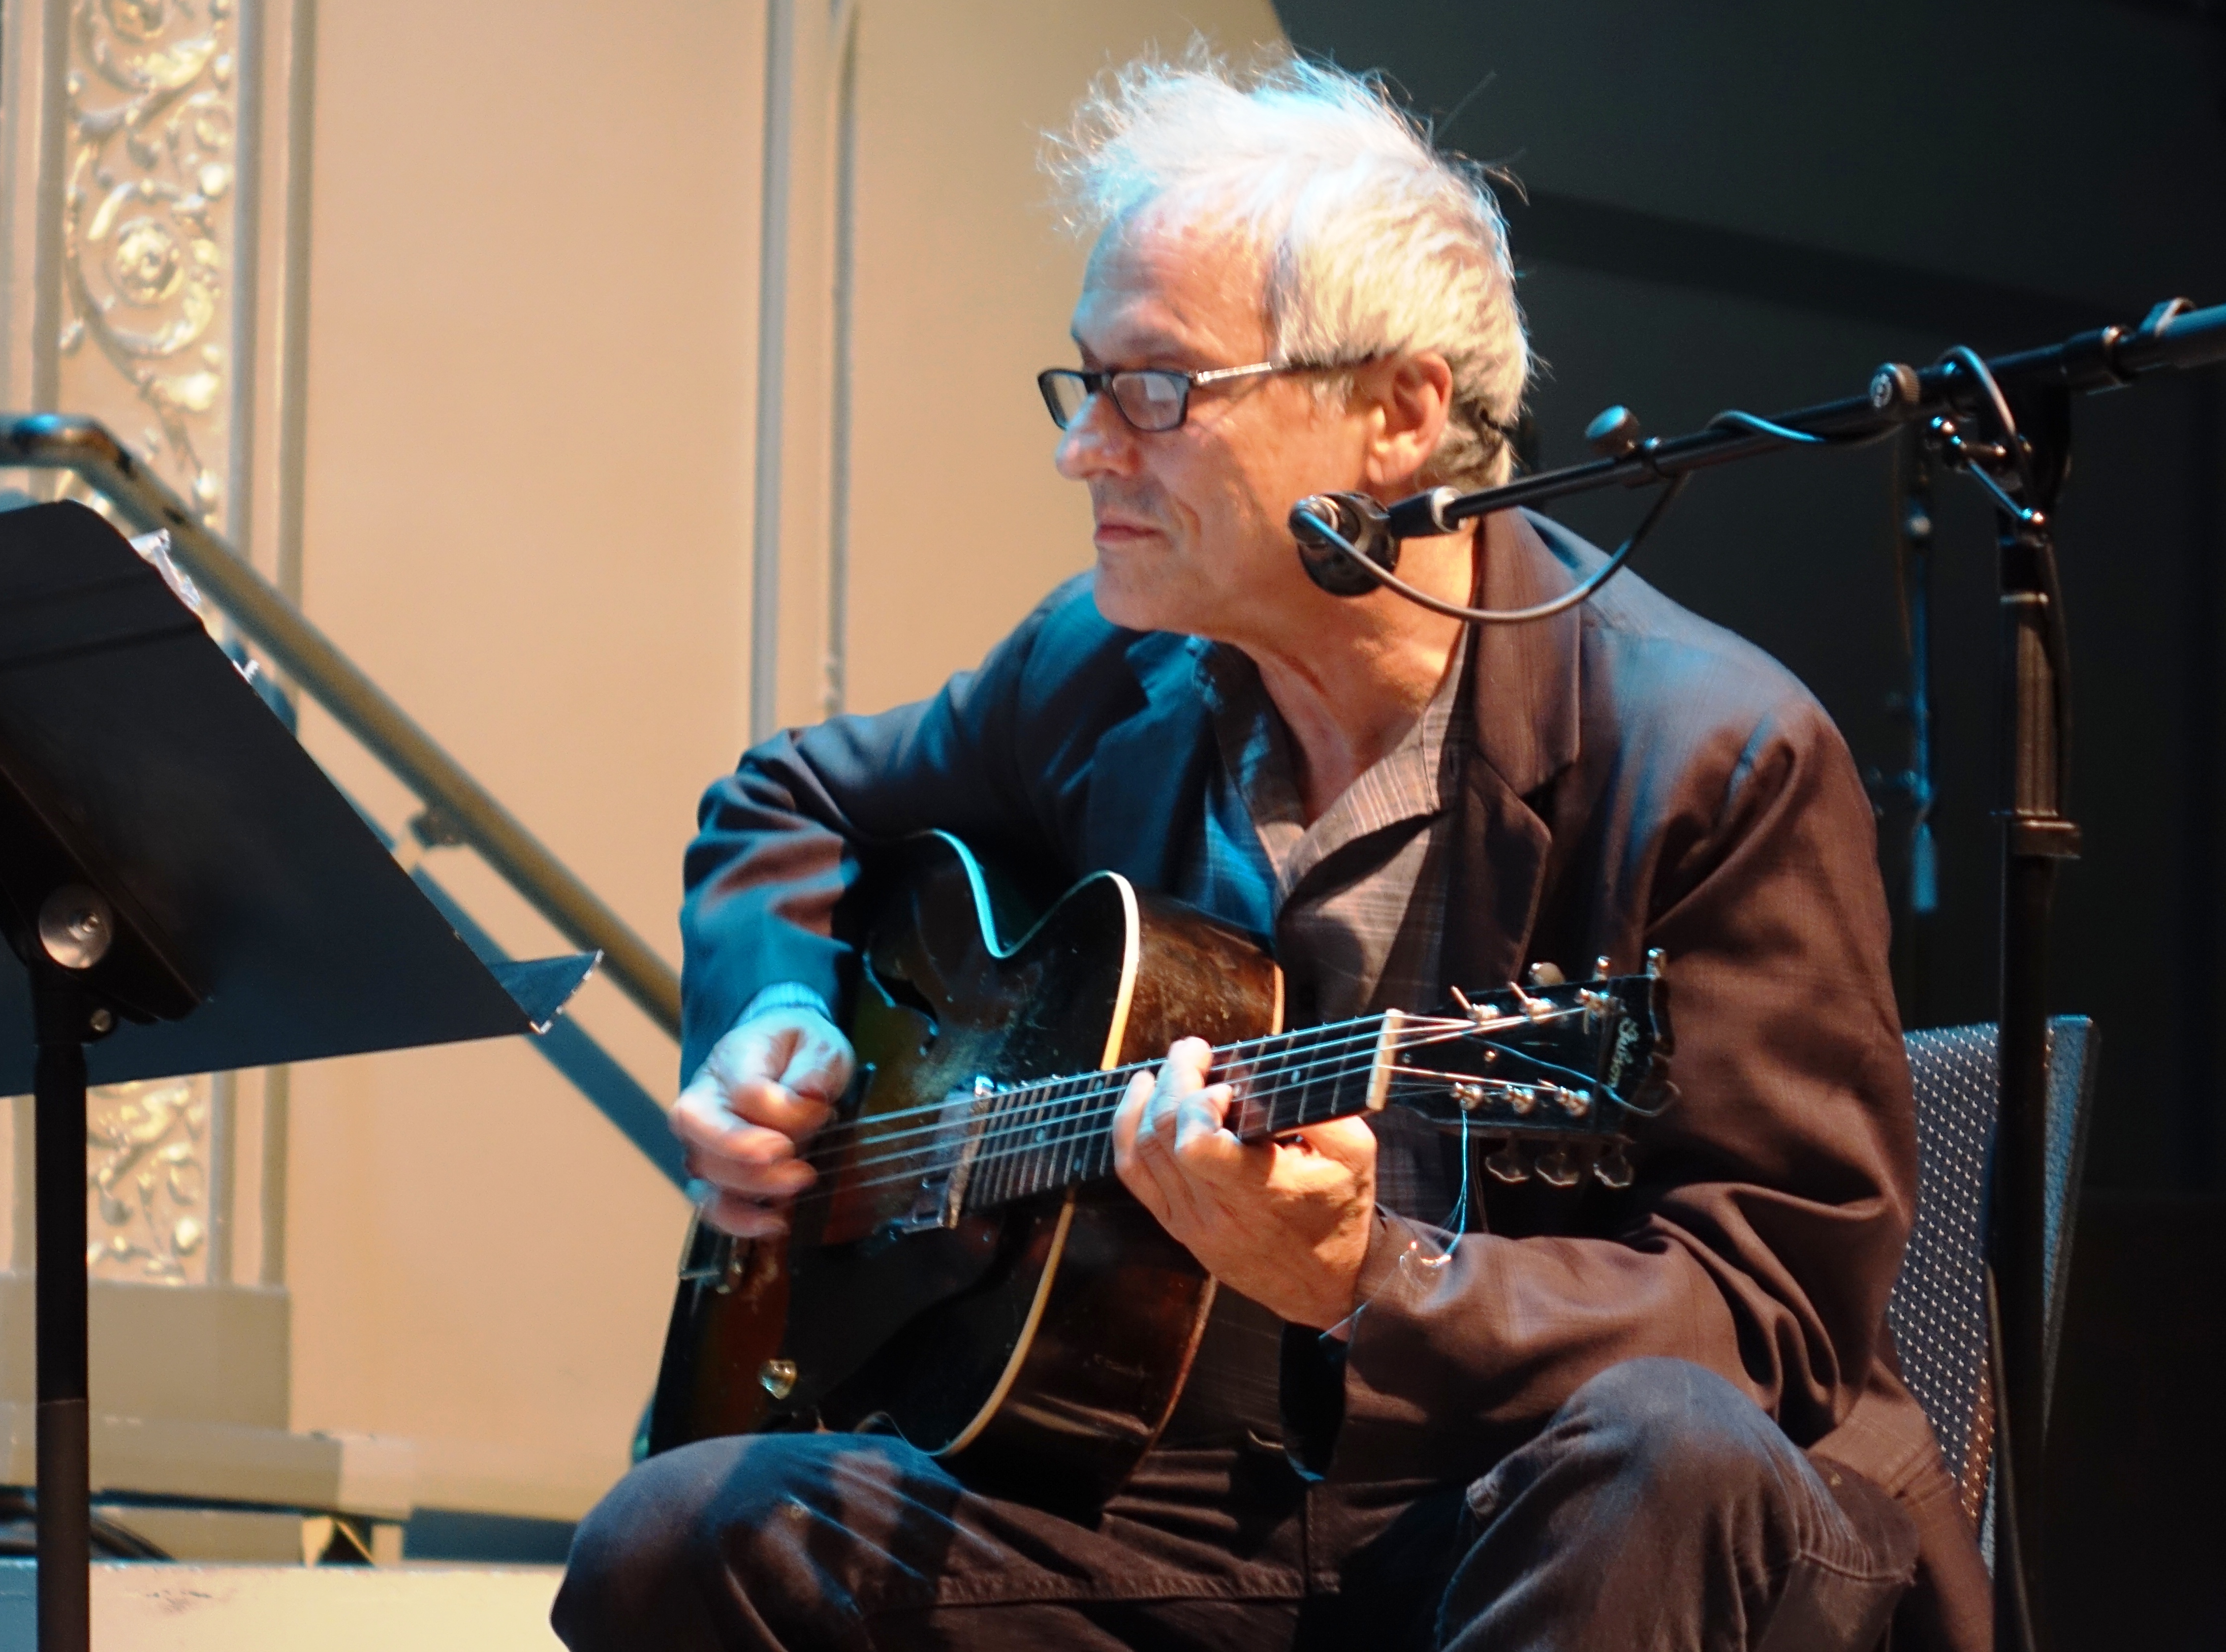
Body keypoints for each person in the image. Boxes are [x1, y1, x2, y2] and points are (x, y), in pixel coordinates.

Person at [556, 55, 1987, 1652]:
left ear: (1398, 416)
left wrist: (1374, 1278)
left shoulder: (1714, 753)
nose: (1083, 450)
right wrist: (773, 1019)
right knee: (677, 1538)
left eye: (1153, 388)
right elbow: (795, 800)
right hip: (1212, 1515)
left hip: (1566, 1515)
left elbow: (1770, 1317)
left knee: (1663, 1451)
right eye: (1082, 383)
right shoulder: (1108, 673)